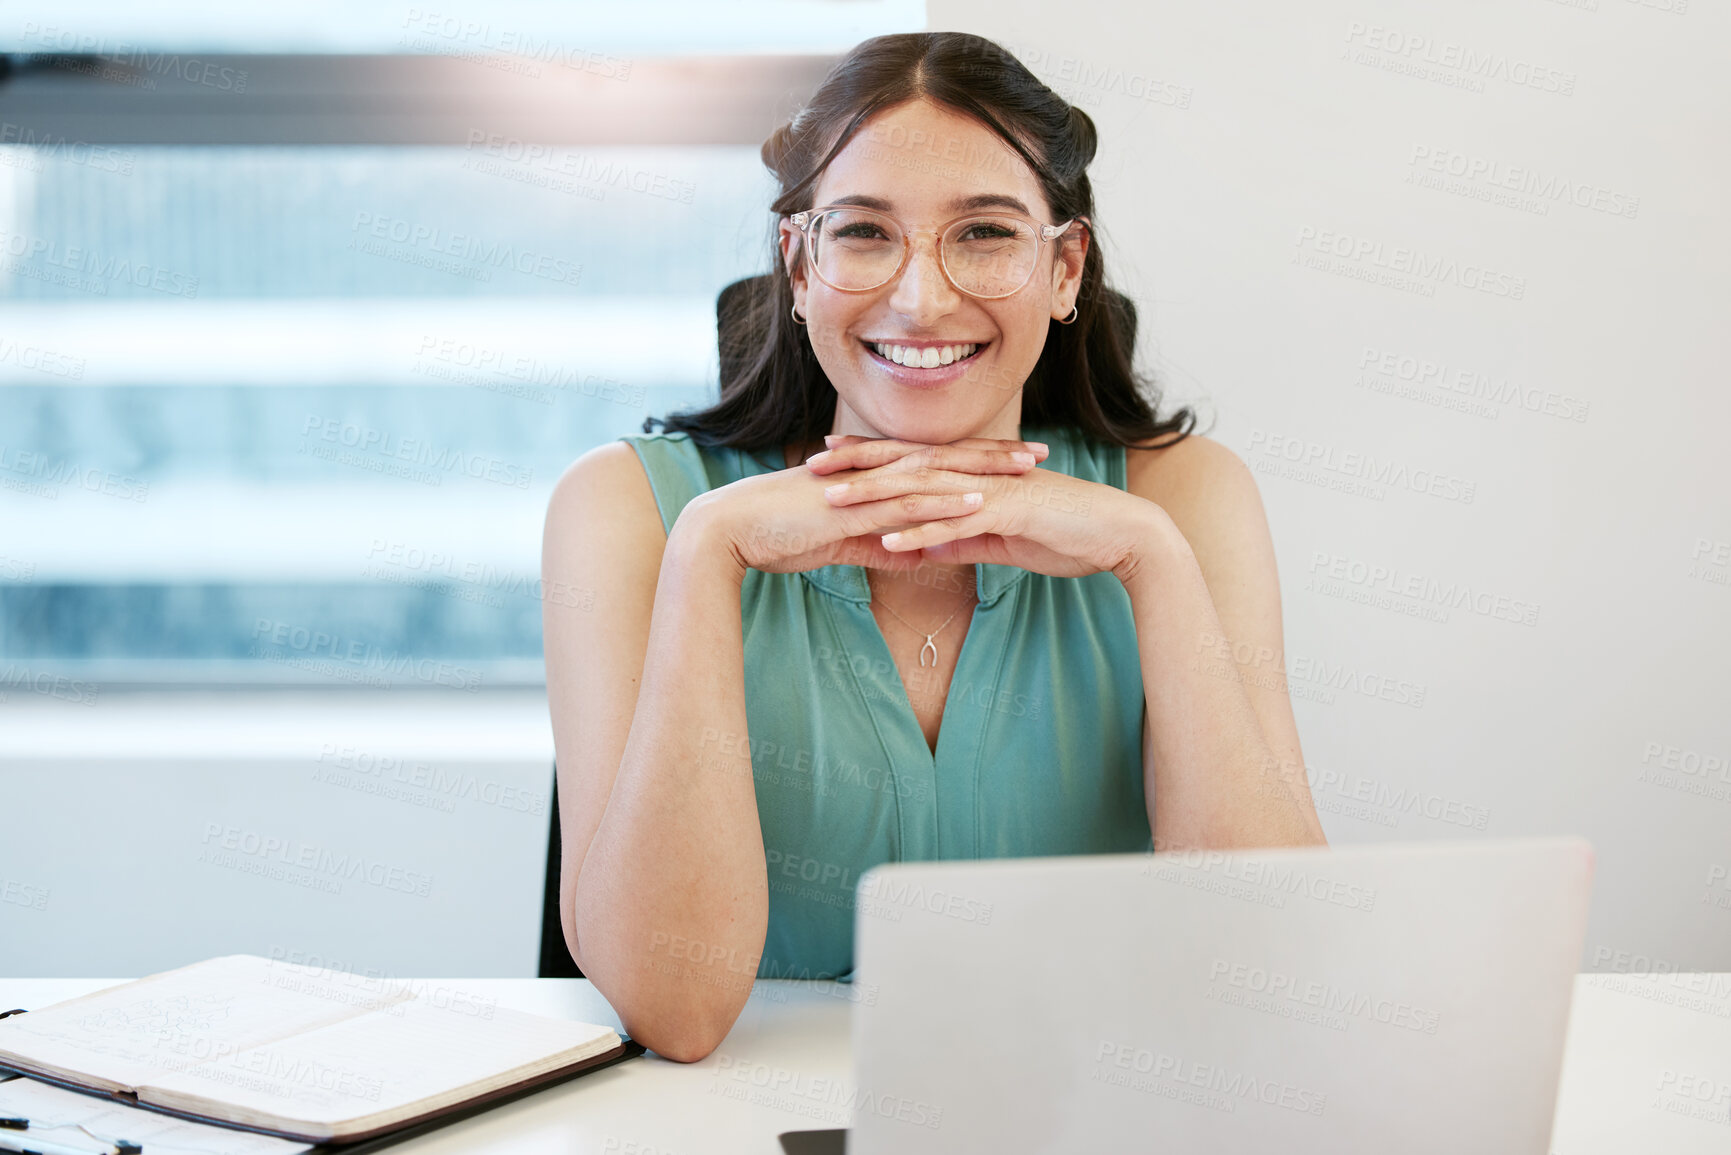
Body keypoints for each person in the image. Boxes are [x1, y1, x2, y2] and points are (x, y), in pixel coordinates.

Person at [540, 31, 1326, 1062]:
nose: (921, 298)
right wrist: (707, 561)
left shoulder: (1185, 499)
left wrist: (1153, 563)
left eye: (986, 235)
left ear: (1064, 266)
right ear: (799, 266)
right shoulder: (630, 511)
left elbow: (1268, 967)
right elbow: (674, 1013)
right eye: (864, 234)